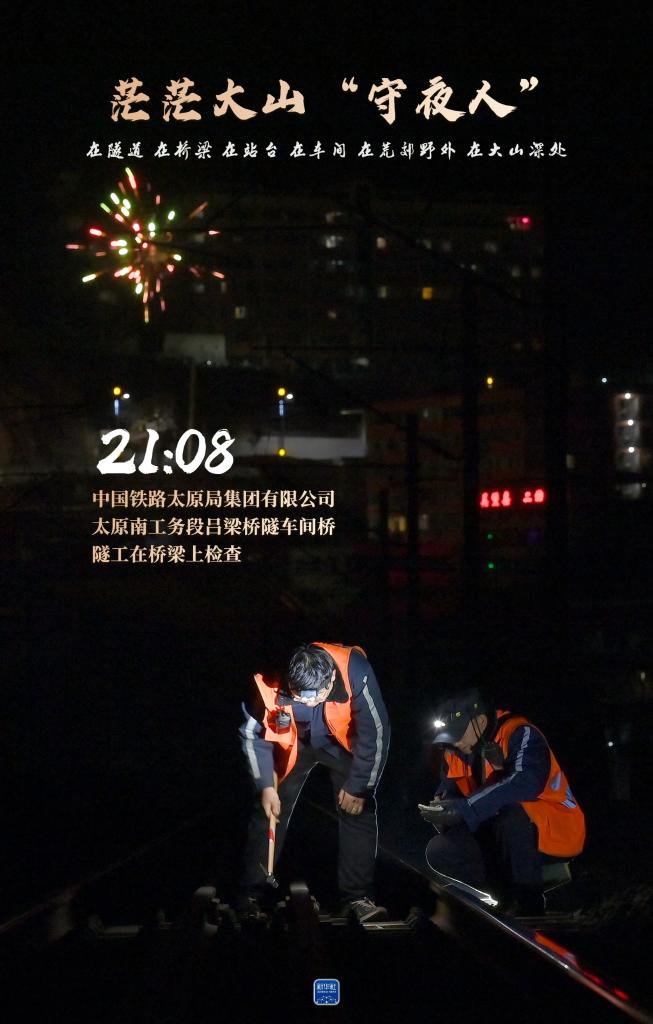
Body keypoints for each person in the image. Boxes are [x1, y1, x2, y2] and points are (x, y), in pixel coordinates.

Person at [238, 642, 390, 923]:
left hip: (338, 742)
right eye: (300, 695)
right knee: (269, 811)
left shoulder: (355, 669)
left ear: (331, 678)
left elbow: (375, 731)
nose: (308, 702)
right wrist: (266, 785)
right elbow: (252, 733)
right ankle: (251, 895)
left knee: (358, 808)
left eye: (316, 695)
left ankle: (357, 898)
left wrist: (359, 787)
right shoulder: (269, 679)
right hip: (292, 743)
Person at [418, 687, 585, 915]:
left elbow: (525, 782)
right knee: (440, 849)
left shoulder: (519, 732)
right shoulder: (455, 751)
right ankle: (501, 899)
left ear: (481, 721)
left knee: (512, 816)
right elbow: (453, 791)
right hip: (498, 833)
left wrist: (465, 808)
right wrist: (443, 807)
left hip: (553, 830)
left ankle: (530, 905)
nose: (454, 742)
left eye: (458, 733)